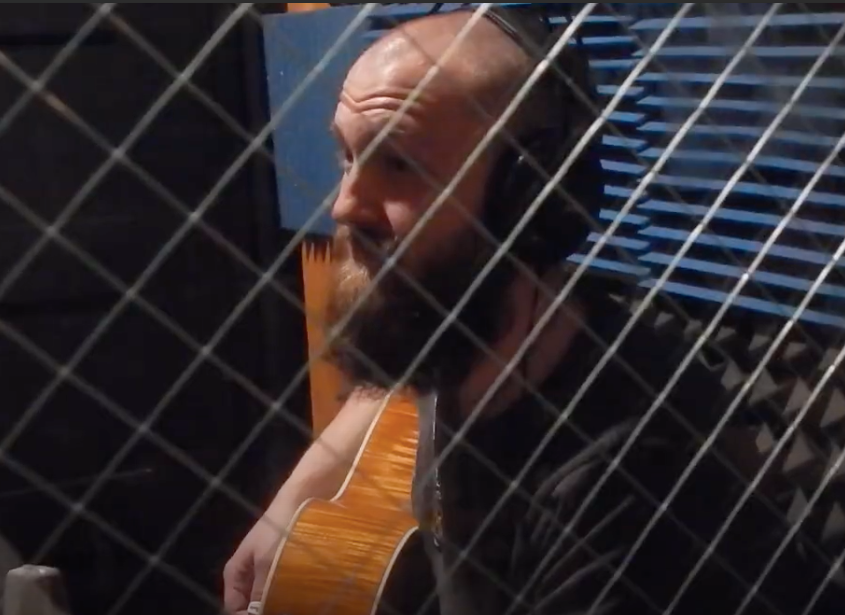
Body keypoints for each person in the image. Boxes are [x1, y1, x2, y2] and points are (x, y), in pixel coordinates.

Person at [224, 7, 791, 615]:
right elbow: (394, 370)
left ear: (526, 197)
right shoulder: (467, 323)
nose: (344, 205)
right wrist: (293, 501)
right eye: (347, 156)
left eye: (398, 163)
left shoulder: (632, 490)